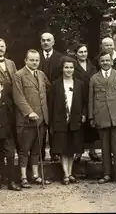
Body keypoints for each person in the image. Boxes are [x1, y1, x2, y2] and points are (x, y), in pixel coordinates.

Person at [88, 51, 116, 185]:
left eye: (107, 60)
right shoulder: (94, 78)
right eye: (103, 61)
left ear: (112, 62)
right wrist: (91, 116)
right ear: (99, 62)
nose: (105, 63)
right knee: (104, 147)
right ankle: (106, 174)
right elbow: (91, 99)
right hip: (101, 116)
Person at [13, 49, 52, 188]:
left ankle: (35, 175)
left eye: (37, 60)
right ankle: (23, 177)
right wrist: (29, 112)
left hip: (41, 119)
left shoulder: (41, 74)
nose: (34, 62)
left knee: (37, 149)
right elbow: (18, 97)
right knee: (24, 149)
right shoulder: (18, 75)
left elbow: (48, 90)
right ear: (25, 60)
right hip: (26, 120)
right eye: (32, 60)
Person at [49, 57, 86, 185]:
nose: (69, 70)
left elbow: (84, 102)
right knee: (63, 148)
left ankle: (70, 173)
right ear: (62, 69)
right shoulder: (56, 84)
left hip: (75, 120)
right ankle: (65, 174)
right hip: (60, 120)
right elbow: (51, 104)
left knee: (71, 148)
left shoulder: (80, 84)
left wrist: (84, 114)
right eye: (66, 67)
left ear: (74, 69)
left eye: (71, 67)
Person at [72, 44, 101, 162]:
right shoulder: (73, 66)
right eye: (80, 52)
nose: (83, 54)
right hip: (78, 98)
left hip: (92, 97)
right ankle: (78, 151)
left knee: (92, 126)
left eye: (85, 51)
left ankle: (92, 151)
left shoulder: (93, 66)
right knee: (80, 126)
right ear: (76, 54)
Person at [39, 32, 64, 162]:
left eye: (48, 40)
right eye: (43, 40)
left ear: (53, 42)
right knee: (41, 125)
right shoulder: (36, 57)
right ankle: (40, 153)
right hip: (39, 96)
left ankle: (55, 152)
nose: (46, 42)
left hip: (55, 96)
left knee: (55, 124)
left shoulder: (60, 58)